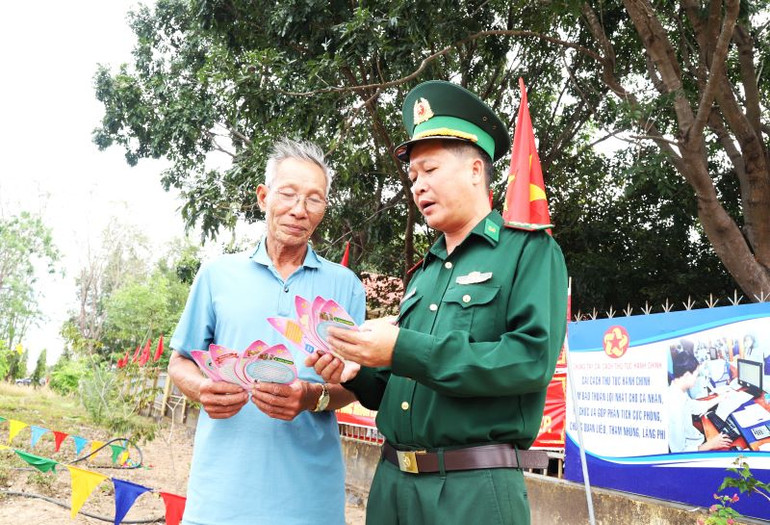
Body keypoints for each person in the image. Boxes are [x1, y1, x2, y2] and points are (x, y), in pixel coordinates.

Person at [308, 81, 568, 525]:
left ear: (474, 169)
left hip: (473, 492)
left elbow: (530, 359)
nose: (417, 186)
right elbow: (397, 386)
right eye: (412, 177)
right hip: (392, 485)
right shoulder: (423, 275)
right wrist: (358, 371)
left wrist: (400, 348)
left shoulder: (528, 251)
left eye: (429, 170)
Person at [168, 138, 366, 525]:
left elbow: (356, 384)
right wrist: (202, 388)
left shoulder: (346, 286)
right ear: (263, 196)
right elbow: (180, 361)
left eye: (314, 199)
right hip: (219, 498)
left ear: (324, 209)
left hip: (310, 501)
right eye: (288, 194)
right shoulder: (216, 275)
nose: (298, 209)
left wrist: (313, 397)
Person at [667, 351, 732, 452]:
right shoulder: (674, 406)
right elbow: (680, 452)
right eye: (696, 375)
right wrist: (710, 445)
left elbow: (695, 407)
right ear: (687, 375)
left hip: (696, 440)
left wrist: (720, 398)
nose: (696, 379)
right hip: (693, 450)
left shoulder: (678, 391)